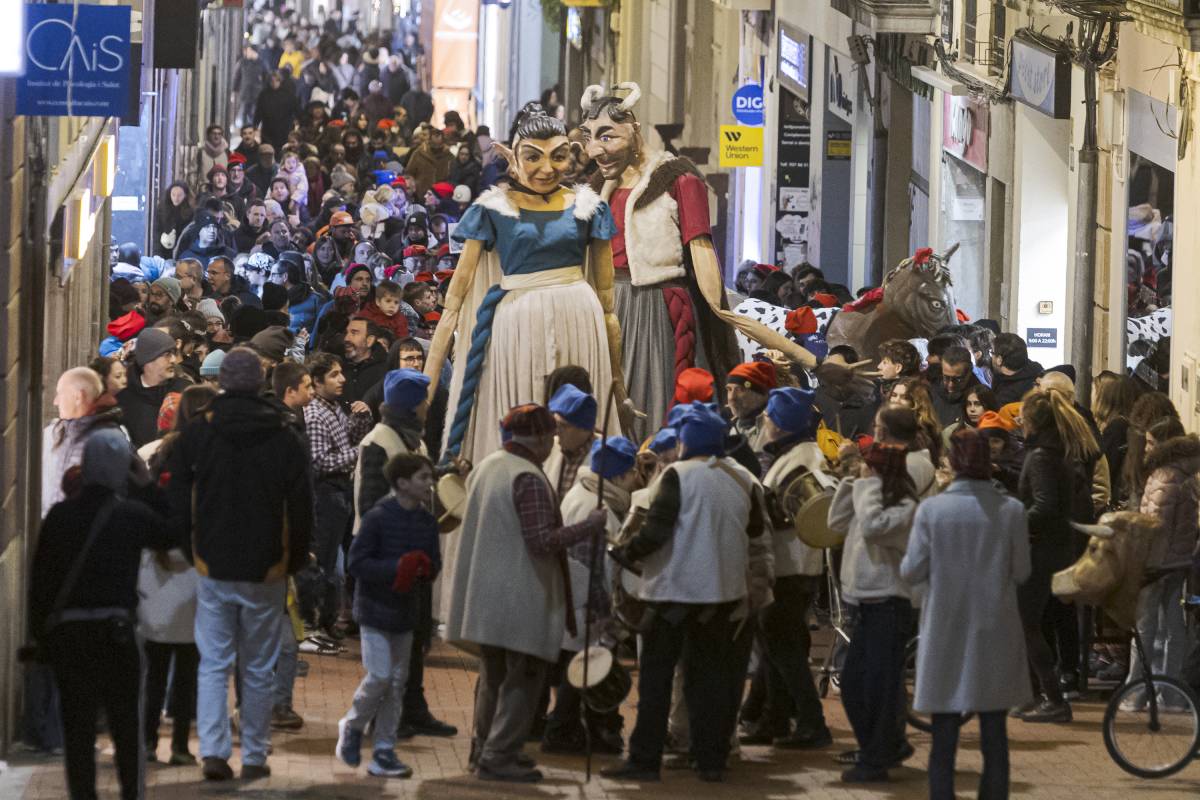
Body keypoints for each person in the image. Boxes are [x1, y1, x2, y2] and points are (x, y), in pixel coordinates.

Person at [580, 83, 814, 442]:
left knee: (655, 404)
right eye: (589, 137)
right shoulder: (597, 186)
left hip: (655, 313)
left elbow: (710, 279)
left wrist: (806, 357)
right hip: (602, 310)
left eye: (607, 136)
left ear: (635, 128)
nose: (595, 149)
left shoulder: (679, 180)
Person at [425, 102, 626, 465]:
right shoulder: (492, 209)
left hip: (580, 319)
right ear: (511, 158)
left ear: (572, 155)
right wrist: (429, 379)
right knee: (523, 406)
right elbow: (454, 301)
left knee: (576, 407)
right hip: (517, 324)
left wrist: (619, 385)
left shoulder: (589, 207)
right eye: (533, 157)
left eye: (558, 156)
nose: (547, 169)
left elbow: (608, 303)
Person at [166, 348, 313, 782]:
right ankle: (253, 752)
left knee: (213, 662)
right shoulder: (285, 434)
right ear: (261, 382)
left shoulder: (200, 432)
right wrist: (297, 556)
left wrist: (188, 545)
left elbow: (178, 495)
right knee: (257, 664)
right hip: (267, 564)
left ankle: (213, 751)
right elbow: (301, 504)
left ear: (224, 382)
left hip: (213, 560)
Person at [602, 403, 765, 783]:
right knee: (708, 682)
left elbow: (655, 532)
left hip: (674, 593)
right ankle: (710, 758)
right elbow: (756, 531)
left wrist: (623, 552)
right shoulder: (741, 478)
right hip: (724, 595)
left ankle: (644, 758)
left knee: (657, 681)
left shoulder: (678, 476)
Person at [444, 404, 607, 783]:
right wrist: (588, 526)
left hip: (489, 596)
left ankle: (482, 750)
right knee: (522, 678)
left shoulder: (489, 466)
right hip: (521, 596)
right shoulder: (527, 477)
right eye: (550, 435)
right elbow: (541, 542)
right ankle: (499, 756)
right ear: (538, 438)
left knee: (492, 677)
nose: (553, 444)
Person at [30, 430, 176, 800]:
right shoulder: (131, 514)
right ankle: (130, 793)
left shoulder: (60, 516)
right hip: (116, 634)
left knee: (78, 733)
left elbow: (41, 585)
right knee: (126, 727)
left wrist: (41, 641)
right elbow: (173, 534)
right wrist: (146, 487)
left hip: (71, 636)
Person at [901, 428, 1033, 800]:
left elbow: (912, 569)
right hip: (995, 626)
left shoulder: (932, 511)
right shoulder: (1012, 511)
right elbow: (1021, 571)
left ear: (953, 462)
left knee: (944, 732)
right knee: (994, 730)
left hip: (945, 625)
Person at [337, 452, 440, 778]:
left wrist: (425, 569)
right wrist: (397, 567)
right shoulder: (378, 517)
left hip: (406, 612)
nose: (429, 484)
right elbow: (356, 563)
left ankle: (383, 751)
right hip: (375, 611)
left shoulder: (425, 521)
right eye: (423, 477)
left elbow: (433, 565)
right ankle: (352, 726)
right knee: (380, 676)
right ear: (402, 482)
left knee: (396, 684)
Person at [743, 387, 832, 749]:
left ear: (780, 424)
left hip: (791, 567)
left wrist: (759, 506)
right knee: (777, 644)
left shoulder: (803, 459)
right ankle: (774, 719)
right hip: (791, 565)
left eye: (769, 416)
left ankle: (812, 722)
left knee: (784, 648)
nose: (764, 419)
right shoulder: (797, 452)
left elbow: (804, 514)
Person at [827, 440, 918, 783]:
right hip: (864, 604)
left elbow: (872, 527)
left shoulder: (905, 506)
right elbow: (835, 523)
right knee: (854, 684)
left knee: (876, 688)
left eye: (868, 467)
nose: (861, 470)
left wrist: (864, 486)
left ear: (880, 472)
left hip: (889, 604)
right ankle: (884, 746)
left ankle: (876, 757)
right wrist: (849, 484)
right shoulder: (866, 493)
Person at [543, 435, 639, 755]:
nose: (636, 479)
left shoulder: (581, 491)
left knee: (580, 665)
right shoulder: (595, 507)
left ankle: (576, 728)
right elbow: (588, 566)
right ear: (618, 476)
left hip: (573, 602)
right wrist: (603, 613)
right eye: (632, 473)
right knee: (585, 667)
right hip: (585, 604)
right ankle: (567, 730)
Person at [138, 385, 218, 766]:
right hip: (189, 564)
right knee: (187, 664)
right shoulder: (206, 454)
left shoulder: (162, 452)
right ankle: (179, 745)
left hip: (161, 563)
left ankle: (150, 741)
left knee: (158, 664)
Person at [1014, 389, 1098, 723]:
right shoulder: (1056, 452)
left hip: (1041, 551)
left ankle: (1050, 697)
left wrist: (1014, 518)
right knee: (1037, 624)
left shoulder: (1040, 457)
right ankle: (1038, 695)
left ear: (1033, 421)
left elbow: (1045, 505)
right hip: (1057, 548)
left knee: (1029, 624)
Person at [1123, 417, 1200, 709]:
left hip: (1156, 564)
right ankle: (1171, 694)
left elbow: (1154, 526)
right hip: (1178, 562)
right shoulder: (1185, 477)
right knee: (1172, 628)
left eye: (1152, 443)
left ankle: (1136, 693)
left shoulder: (1164, 478)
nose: (1146, 448)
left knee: (1144, 630)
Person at [303, 352, 374, 635]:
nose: (342, 379)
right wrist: (360, 453)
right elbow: (320, 461)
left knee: (340, 563)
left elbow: (346, 440)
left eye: (341, 372)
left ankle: (330, 620)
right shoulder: (315, 414)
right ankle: (318, 624)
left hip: (342, 492)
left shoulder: (334, 408)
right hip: (326, 493)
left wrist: (360, 421)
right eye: (334, 375)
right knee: (325, 563)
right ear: (317, 382)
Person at [116, 328, 189, 448]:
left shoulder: (185, 391)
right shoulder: (123, 394)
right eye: (167, 355)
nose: (173, 360)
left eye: (174, 353)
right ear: (148, 359)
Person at [542, 382, 598, 497]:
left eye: (562, 426)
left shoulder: (605, 456)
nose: (556, 431)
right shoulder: (552, 447)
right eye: (555, 423)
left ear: (584, 428)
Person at [928, 345, 978, 426]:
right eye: (946, 377)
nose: (950, 385)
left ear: (969, 373)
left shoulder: (980, 398)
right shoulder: (932, 391)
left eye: (958, 379)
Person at [990, 333, 1043, 405]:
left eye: (992, 353)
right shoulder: (1037, 372)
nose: (991, 357)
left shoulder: (1006, 398)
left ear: (999, 360)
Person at [405, 126, 453, 200]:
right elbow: (409, 173)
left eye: (439, 135)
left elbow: (452, 176)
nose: (437, 137)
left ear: (443, 138)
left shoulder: (449, 156)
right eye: (435, 135)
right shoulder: (419, 153)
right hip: (420, 195)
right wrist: (414, 187)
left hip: (441, 195)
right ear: (430, 137)